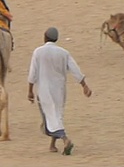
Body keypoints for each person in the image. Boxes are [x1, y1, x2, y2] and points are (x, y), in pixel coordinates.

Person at [28, 27, 92, 155]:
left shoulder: (38, 52)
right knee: (56, 115)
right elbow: (75, 70)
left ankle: (65, 139)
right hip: (60, 90)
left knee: (49, 117)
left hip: (44, 90)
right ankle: (52, 145)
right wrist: (84, 85)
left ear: (45, 37)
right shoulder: (63, 53)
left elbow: (33, 73)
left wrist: (30, 90)